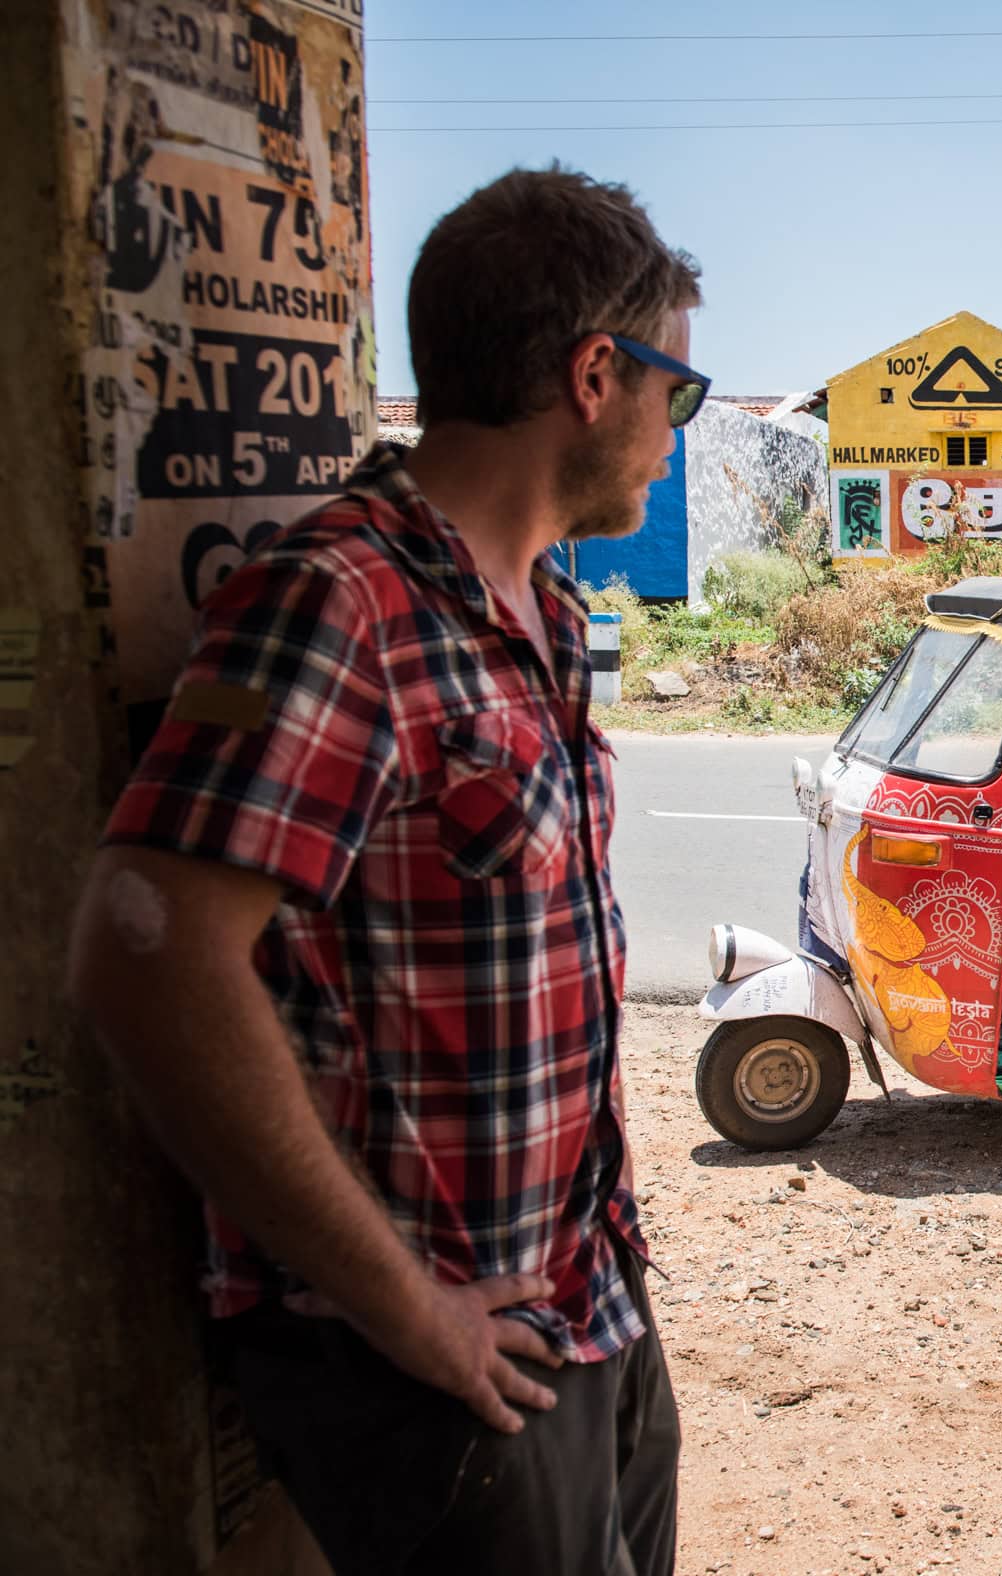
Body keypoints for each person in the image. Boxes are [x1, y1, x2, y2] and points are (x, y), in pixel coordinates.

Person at [69, 167, 709, 1575]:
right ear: (596, 373)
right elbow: (145, 951)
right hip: (433, 1350)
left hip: (578, 1291)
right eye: (682, 386)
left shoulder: (540, 601)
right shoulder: (338, 602)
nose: (679, 427)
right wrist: (405, 1308)